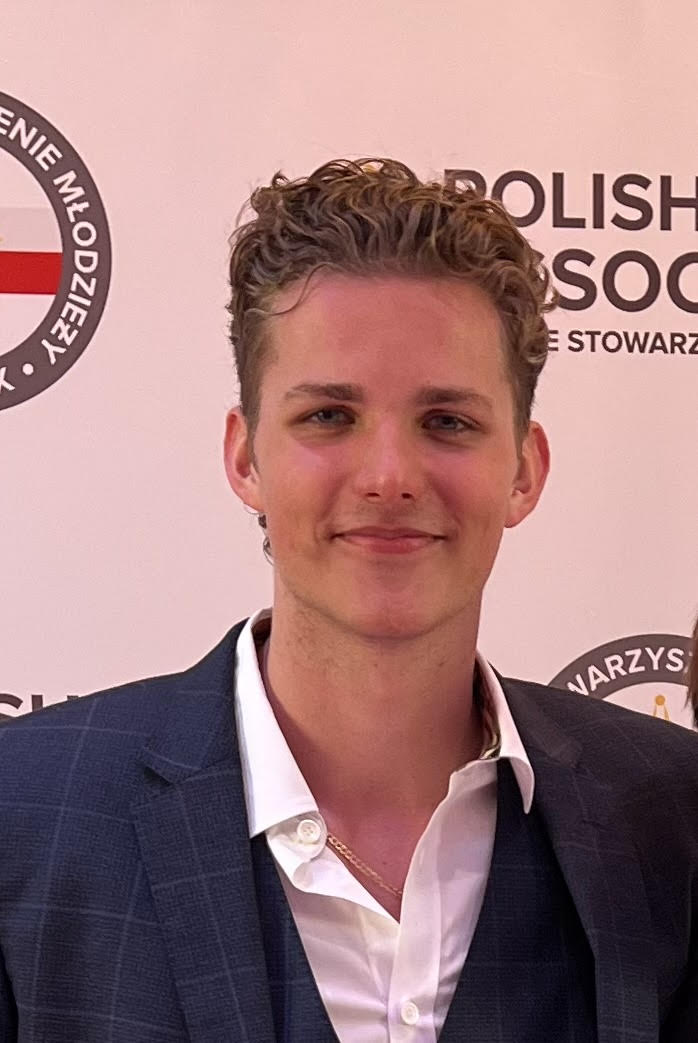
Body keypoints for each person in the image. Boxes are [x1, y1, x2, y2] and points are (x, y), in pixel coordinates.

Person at [0, 159, 696, 1043]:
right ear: (246, 457)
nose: (389, 477)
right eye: (329, 415)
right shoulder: (20, 816)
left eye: (448, 421)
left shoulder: (672, 821)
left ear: (523, 470)